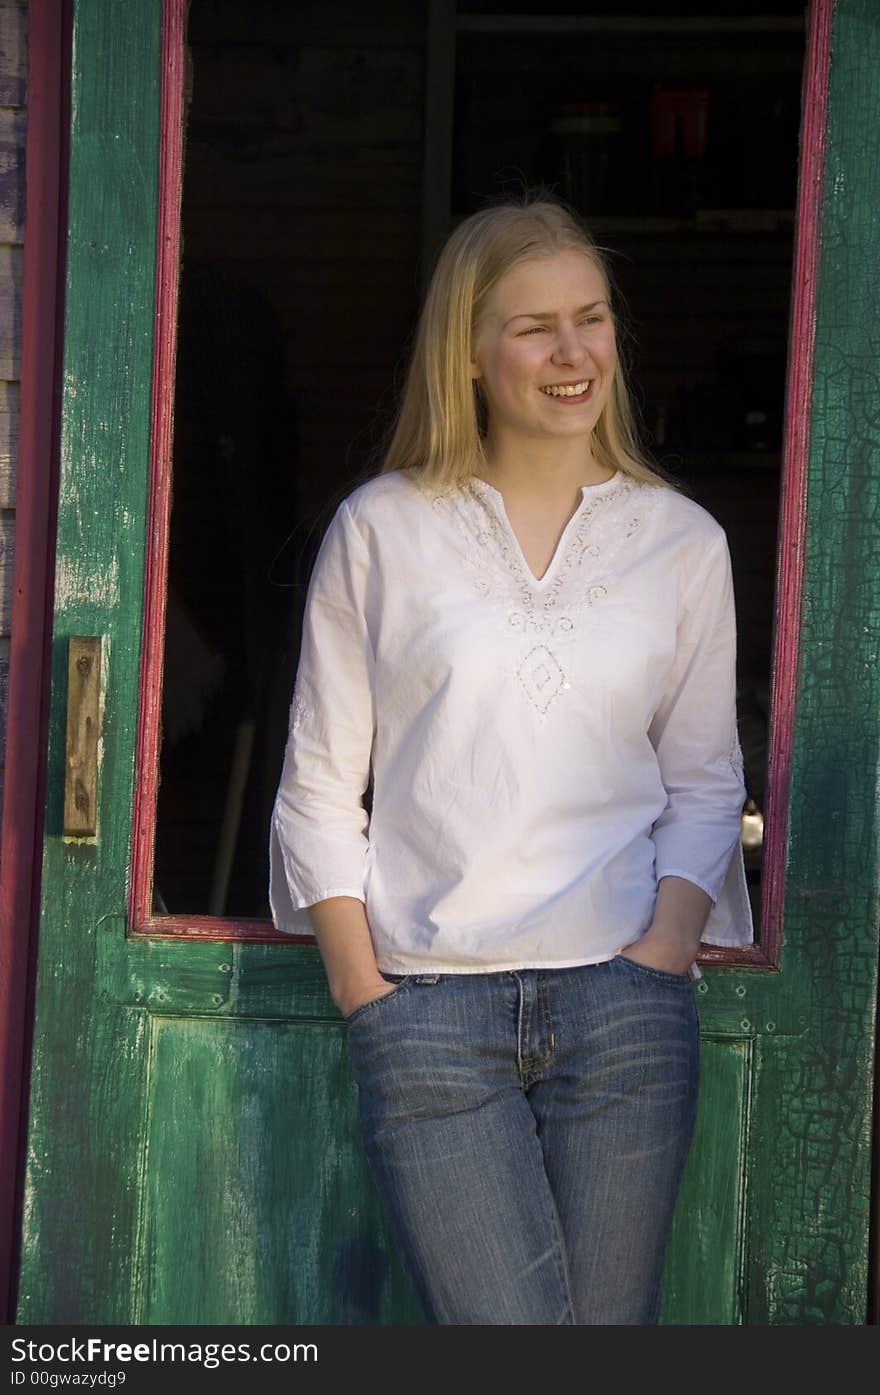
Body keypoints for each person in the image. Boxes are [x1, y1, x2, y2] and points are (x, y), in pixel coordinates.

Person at [269, 195, 755, 1325]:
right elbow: (318, 782)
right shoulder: (382, 530)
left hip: (624, 1005)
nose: (572, 352)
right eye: (534, 327)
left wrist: (663, 951)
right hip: (431, 1010)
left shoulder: (682, 544)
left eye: (589, 318)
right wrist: (364, 991)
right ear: (472, 354)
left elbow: (702, 779)